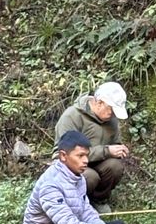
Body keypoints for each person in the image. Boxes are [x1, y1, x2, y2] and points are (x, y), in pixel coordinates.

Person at [53, 81, 130, 210]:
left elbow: (115, 143)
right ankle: (75, 205)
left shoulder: (111, 120)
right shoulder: (72, 116)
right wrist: (106, 151)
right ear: (99, 103)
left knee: (115, 167)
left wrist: (119, 150)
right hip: (70, 164)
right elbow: (68, 153)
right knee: (89, 177)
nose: (113, 115)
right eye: (111, 110)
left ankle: (98, 200)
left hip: (97, 162)